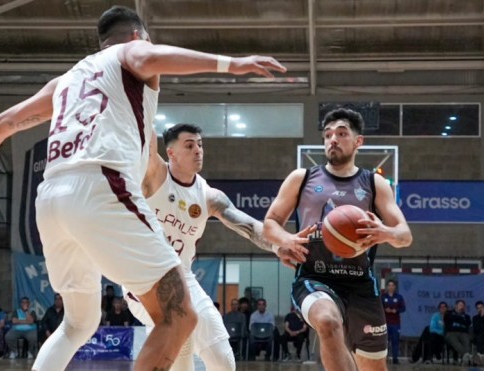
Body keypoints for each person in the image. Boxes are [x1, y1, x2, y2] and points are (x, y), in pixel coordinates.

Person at [0, 6, 286, 370]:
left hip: (50, 199)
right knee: (180, 314)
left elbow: (3, 123)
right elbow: (150, 55)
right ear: (137, 36)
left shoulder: (65, 82)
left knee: (78, 323)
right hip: (100, 184)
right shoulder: (129, 52)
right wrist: (232, 65)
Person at [125, 123, 307, 371]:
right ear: (171, 153)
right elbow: (143, 134)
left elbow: (250, 226)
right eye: (189, 145)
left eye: (200, 144)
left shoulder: (209, 196)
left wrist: (278, 246)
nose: (198, 150)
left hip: (182, 278)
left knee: (223, 361)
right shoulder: (155, 176)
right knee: (182, 340)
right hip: (143, 278)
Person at [263, 107, 413, 371]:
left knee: (373, 367)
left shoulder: (375, 184)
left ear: (358, 141)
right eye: (328, 134)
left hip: (360, 285)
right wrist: (285, 240)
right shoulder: (302, 178)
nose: (333, 139)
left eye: (341, 133)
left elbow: (405, 235)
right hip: (314, 277)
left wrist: (386, 233)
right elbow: (270, 223)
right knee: (327, 321)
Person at [381, 279, 406, 364]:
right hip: (385, 323)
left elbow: (403, 308)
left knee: (395, 341)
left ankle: (395, 359)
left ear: (395, 287)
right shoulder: (383, 297)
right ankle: (384, 358)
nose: (391, 287)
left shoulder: (399, 297)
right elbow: (379, 308)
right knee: (385, 342)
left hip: (395, 323)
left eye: (392, 285)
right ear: (387, 287)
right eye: (389, 285)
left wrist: (396, 310)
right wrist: (385, 310)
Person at [444, 299, 472, 365]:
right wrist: (461, 319)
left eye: (463, 305)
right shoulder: (449, 313)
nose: (462, 307)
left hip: (463, 333)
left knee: (466, 341)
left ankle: (465, 359)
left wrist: (457, 318)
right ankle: (468, 357)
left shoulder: (467, 316)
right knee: (455, 342)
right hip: (451, 333)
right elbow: (449, 319)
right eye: (460, 305)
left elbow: (468, 323)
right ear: (456, 306)